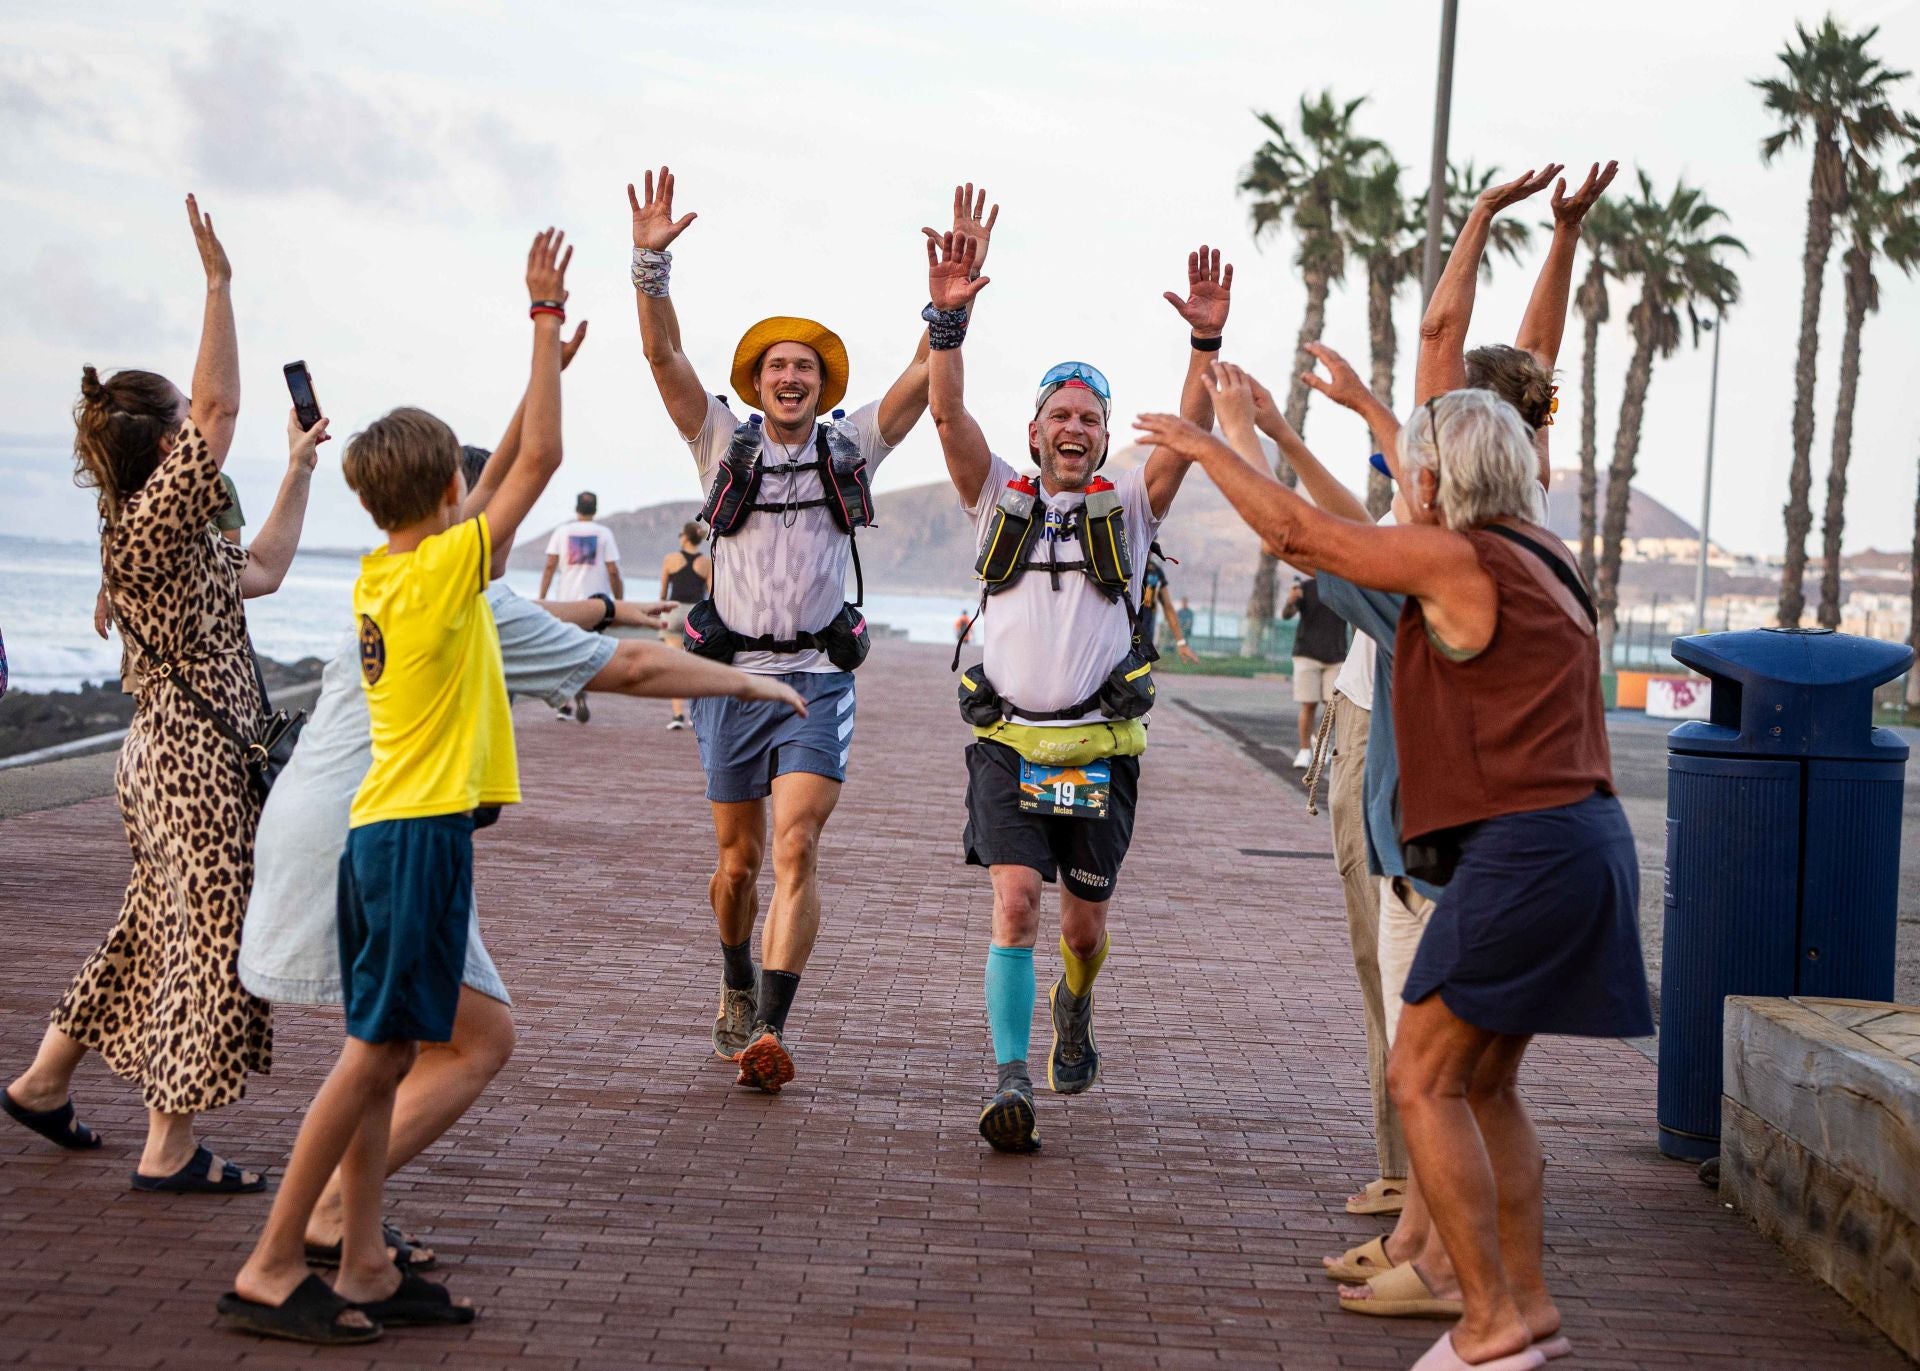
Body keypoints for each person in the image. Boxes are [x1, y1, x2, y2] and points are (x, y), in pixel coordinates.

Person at [1137, 368, 1651, 1371]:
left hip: (1524, 852)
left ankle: (1488, 1317)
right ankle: (1529, 1306)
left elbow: (1301, 537)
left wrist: (1208, 446)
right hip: (1584, 843)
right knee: (1484, 1085)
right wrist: (1276, 431)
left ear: (1433, 477)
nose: (1407, 484)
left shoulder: (1464, 562)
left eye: (1413, 469)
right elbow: (1353, 536)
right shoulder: (1539, 551)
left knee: (1420, 1077)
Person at [238, 409, 803, 1285]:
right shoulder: (460, 595)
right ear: (459, 505)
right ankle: (313, 1228)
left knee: (409, 1047)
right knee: (442, 1044)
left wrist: (611, 607)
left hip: (350, 821)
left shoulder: (401, 577)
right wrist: (746, 682)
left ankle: (354, 1244)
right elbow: (630, 668)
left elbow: (526, 602)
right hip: (382, 834)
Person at [221, 228, 576, 1344]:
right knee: (375, 1055)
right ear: (451, 493)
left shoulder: (388, 572)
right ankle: (273, 1262)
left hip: (385, 832)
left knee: (391, 1051)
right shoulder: (440, 579)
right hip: (413, 835)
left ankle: (364, 1260)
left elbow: (504, 472)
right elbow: (539, 463)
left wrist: (544, 365)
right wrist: (542, 323)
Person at [627, 168, 983, 1091]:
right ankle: (734, 975)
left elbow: (919, 386)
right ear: (757, 381)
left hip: (818, 682)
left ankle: (770, 1030)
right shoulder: (720, 441)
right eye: (778, 366)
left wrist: (948, 315)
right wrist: (649, 269)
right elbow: (665, 360)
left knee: (796, 846)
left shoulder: (849, 445)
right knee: (737, 864)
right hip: (727, 681)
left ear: (824, 388)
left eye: (807, 369)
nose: (792, 377)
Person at [3, 197, 319, 1192]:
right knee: (210, 944)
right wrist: (219, 286)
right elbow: (219, 410)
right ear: (163, 443)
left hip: (173, 756)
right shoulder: (148, 524)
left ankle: (43, 1083)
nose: (200, 436)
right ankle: (168, 1144)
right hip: (191, 763)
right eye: (184, 427)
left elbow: (263, 568)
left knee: (150, 929)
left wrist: (299, 468)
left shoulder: (164, 535)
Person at [926, 231, 1226, 1152]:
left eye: (1088, 417)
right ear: (1034, 432)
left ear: (1103, 435)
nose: (1072, 427)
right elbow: (946, 415)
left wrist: (1204, 344)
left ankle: (1076, 1003)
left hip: (1100, 753)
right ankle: (1010, 1078)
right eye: (1058, 413)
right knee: (1016, 900)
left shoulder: (1129, 507)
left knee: (1083, 928)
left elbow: (1191, 436)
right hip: (1007, 745)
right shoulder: (995, 496)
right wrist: (948, 325)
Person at [539, 490, 623, 723]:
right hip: (596, 603)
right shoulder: (604, 533)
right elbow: (613, 571)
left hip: (567, 602)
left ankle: (564, 704)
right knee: (589, 650)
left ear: (577, 509)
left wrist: (542, 597)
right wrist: (619, 602)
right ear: (595, 510)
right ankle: (582, 687)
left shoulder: (562, 531)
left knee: (565, 650)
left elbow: (549, 565)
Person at [1282, 575, 1349, 768]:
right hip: (1307, 654)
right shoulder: (1306, 587)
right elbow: (1287, 614)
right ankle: (1304, 751)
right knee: (1308, 704)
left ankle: (1320, 744)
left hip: (1336, 654)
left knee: (1332, 705)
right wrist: (1291, 601)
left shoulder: (1345, 588)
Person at [658, 520, 712, 729]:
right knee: (693, 665)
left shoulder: (670, 559)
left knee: (674, 665)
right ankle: (694, 715)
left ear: (685, 537)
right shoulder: (706, 562)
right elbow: (712, 593)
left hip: (673, 611)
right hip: (695, 615)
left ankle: (677, 715)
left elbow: (663, 592)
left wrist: (658, 615)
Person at [1142, 547, 1200, 664]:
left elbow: (1167, 606)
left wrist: (1181, 642)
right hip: (1124, 632)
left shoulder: (1154, 571)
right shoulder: (1126, 566)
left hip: (1145, 630)